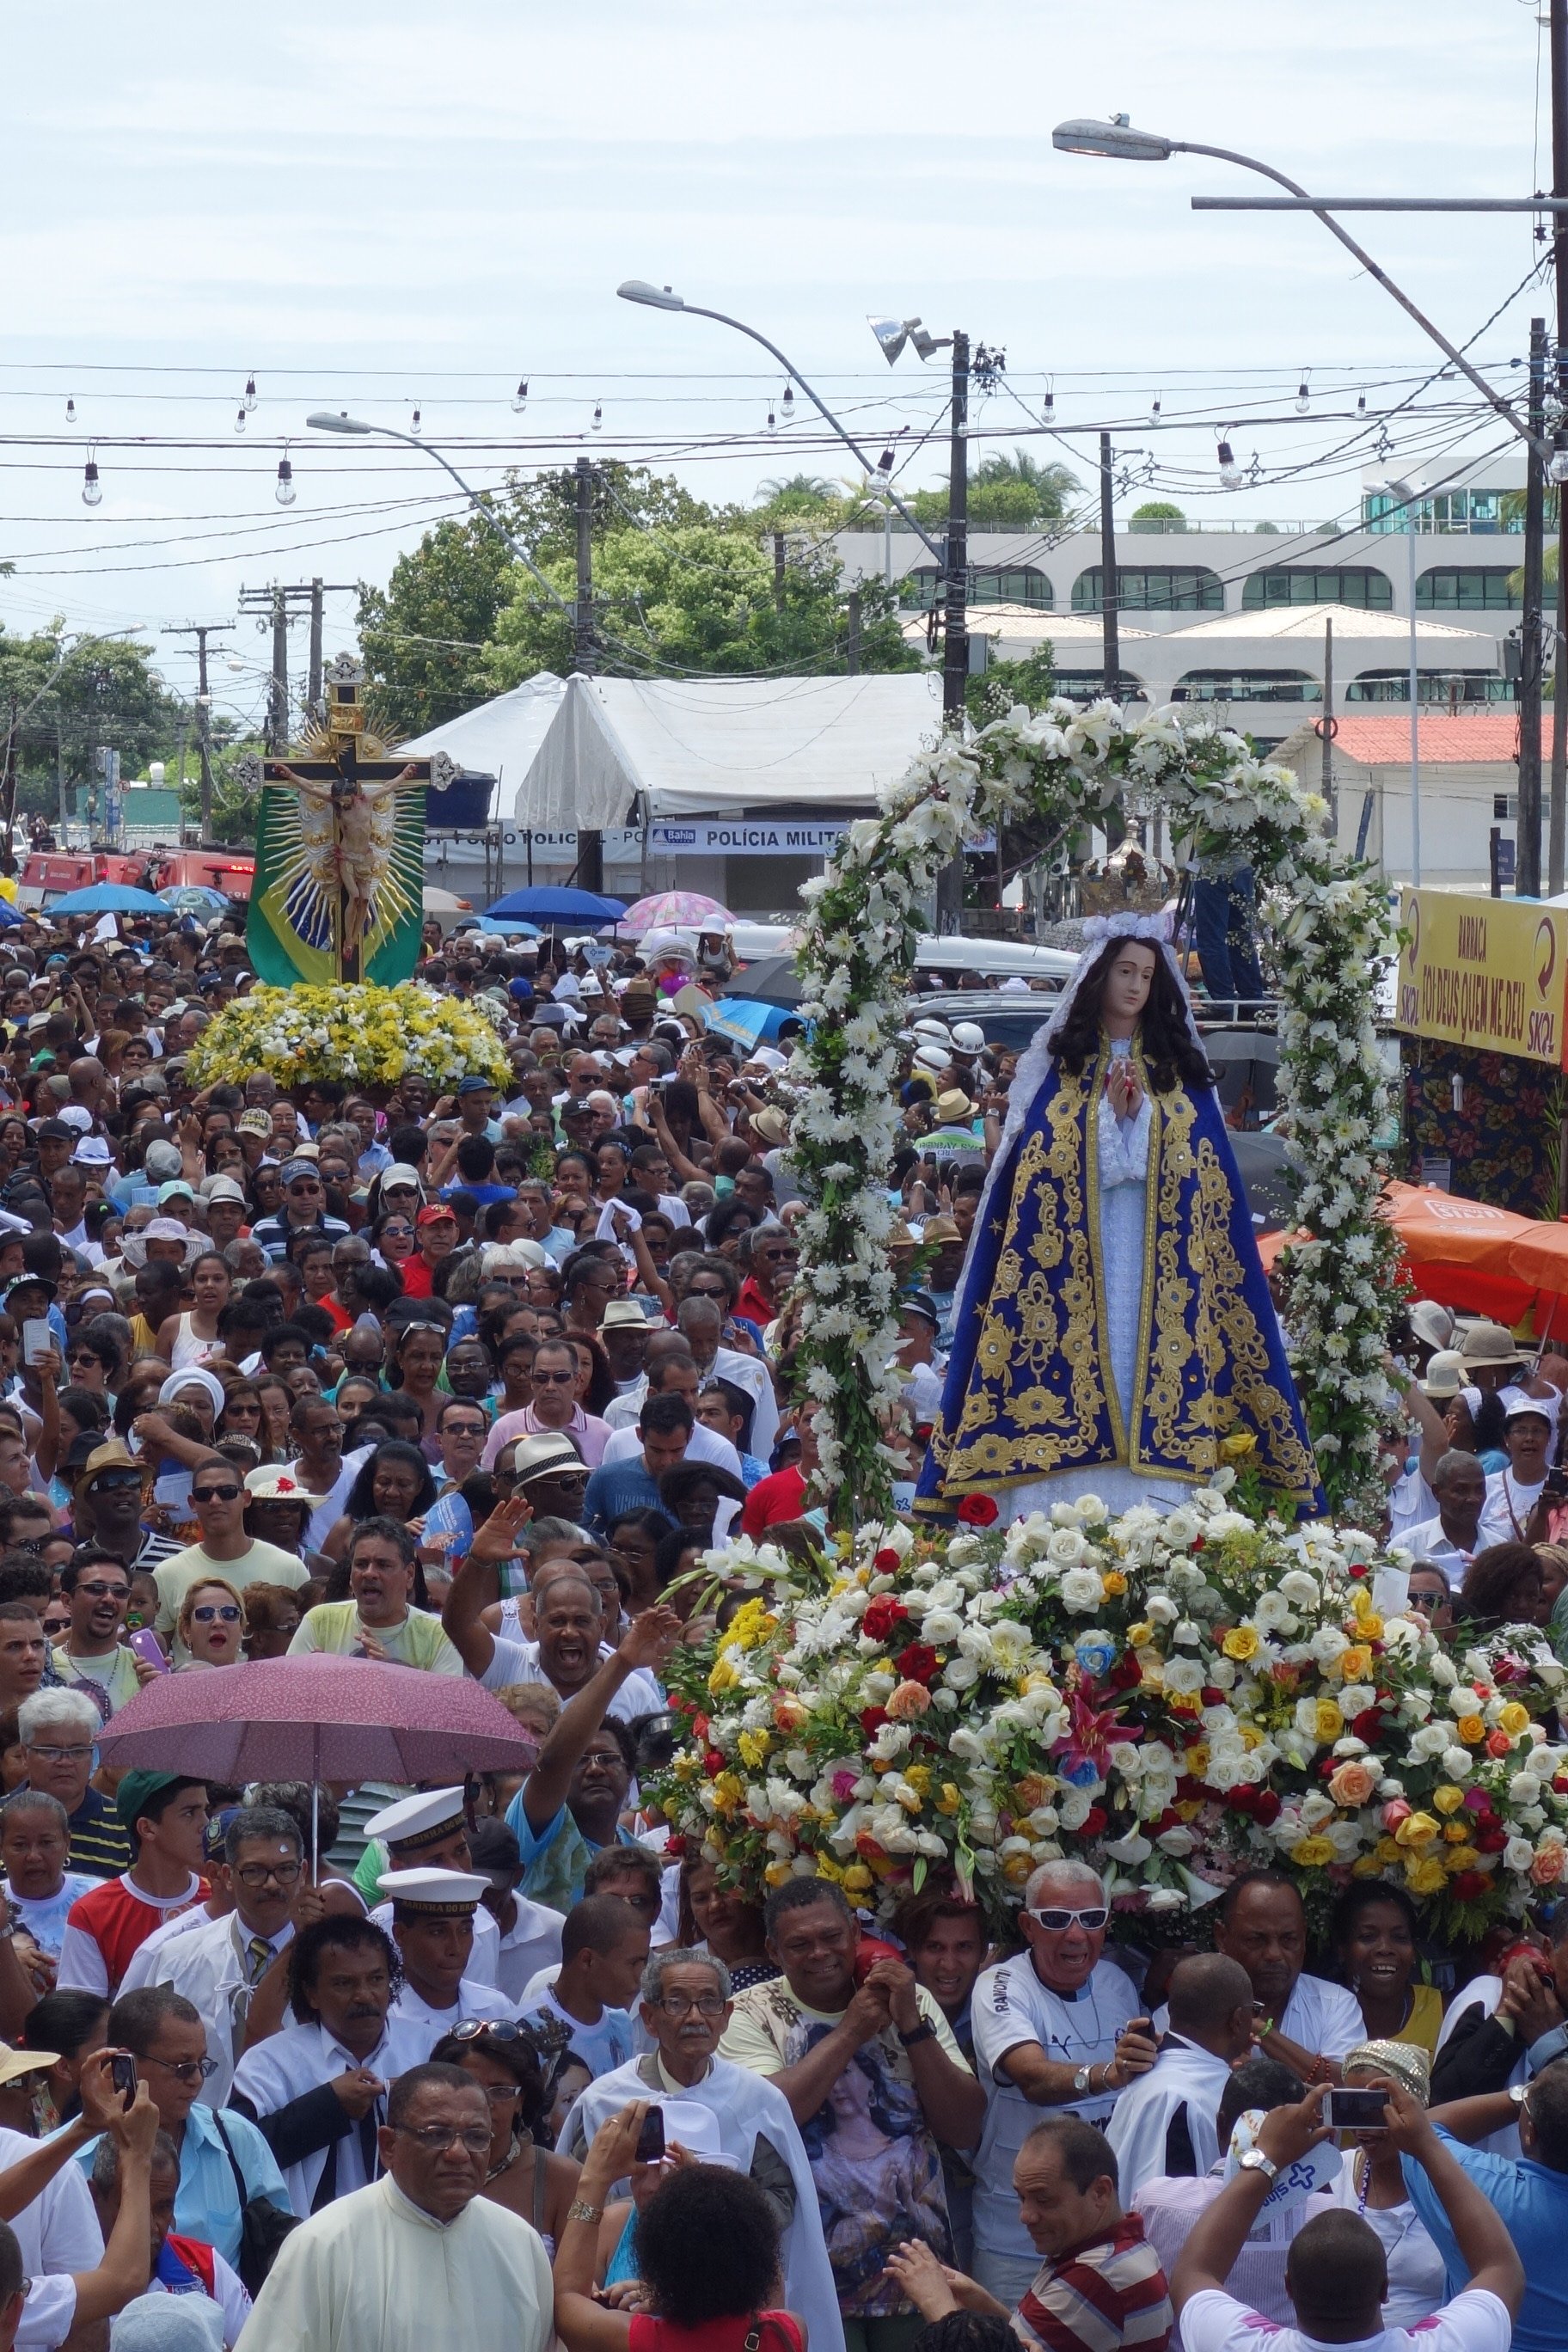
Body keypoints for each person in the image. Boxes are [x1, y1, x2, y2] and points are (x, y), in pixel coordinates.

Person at [915, 915, 1318, 1519]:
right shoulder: (1060, 1073)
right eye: (1125, 971)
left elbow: (1204, 1180)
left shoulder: (1180, 1078)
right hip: (1070, 1284)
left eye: (1148, 975)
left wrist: (1141, 1121)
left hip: (1165, 1285)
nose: (1135, 986)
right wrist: (1104, 1121)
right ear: (1100, 975)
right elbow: (1033, 1178)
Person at [720, 1877, 984, 2347]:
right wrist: (854, 2029)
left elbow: (963, 2126)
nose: (819, 1953)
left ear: (855, 1934)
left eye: (831, 1937)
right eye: (799, 1944)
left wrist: (909, 2023)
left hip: (917, 2274)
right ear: (773, 1951)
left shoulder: (914, 2000)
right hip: (805, 2275)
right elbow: (770, 2119)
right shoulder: (748, 2012)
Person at [558, 1946, 841, 2352]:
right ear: (650, 2018)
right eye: (677, 2003)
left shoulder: (757, 2099)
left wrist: (712, 2206)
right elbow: (577, 2194)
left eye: (708, 2003)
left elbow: (780, 2200)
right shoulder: (606, 2100)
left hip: (729, 2293)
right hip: (615, 2293)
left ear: (726, 2015)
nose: (695, 2017)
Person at [1169, 2078, 1522, 2352]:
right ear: (1385, 2289)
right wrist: (1427, 2145)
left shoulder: (1243, 2344)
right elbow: (1500, 2268)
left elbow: (1194, 2273)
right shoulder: (1444, 2344)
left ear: (1289, 2287)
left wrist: (1268, 2158)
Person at [232, 2061, 554, 2352]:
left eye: (475, 2136)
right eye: (436, 2134)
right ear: (389, 2146)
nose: (459, 2153)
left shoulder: (519, 2244)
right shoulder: (324, 2244)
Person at [969, 1862, 1152, 2306]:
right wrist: (1108, 2074)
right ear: (1028, 1926)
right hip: (1015, 2238)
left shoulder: (1116, 1983)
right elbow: (1030, 2076)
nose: (1075, 1936)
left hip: (1102, 2232)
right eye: (1055, 1920)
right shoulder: (1001, 1984)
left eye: (1091, 1920)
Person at [885, 2113, 1173, 2352]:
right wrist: (980, 2301)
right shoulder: (1117, 2248)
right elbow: (1028, 2344)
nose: (1026, 2216)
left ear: (1100, 2191)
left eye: (1044, 2200)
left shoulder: (1098, 2275)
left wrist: (938, 2305)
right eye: (1022, 2198)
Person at [554, 2101, 804, 2352]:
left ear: (652, 2262)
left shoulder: (643, 2340)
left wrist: (594, 2179)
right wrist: (708, 2194)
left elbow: (566, 2301)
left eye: (666, 2173)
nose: (650, 2186)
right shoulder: (789, 2332)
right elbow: (756, 2264)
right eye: (640, 2172)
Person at [76, 1984, 292, 2271]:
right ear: (124, 2064)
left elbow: (284, 2247)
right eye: (181, 2067)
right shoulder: (71, 2161)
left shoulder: (236, 2140)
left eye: (201, 2063)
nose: (196, 2081)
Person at [230, 1915, 432, 2217]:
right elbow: (238, 2156)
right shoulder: (269, 2063)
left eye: (376, 1979)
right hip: (306, 2236)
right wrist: (328, 2106)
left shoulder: (430, 2049)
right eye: (343, 1983)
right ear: (311, 1993)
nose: (364, 1995)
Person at [503, 1602, 683, 1914]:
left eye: (608, 1759)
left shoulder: (639, 1856)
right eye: (582, 1760)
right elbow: (555, 1760)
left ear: (630, 1775)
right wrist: (623, 1662)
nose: (596, 1769)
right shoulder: (538, 1825)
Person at [138, 1807, 309, 2106]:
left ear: (303, 1872)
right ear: (228, 1876)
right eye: (254, 1871)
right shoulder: (177, 1956)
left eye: (285, 1870)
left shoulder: (333, 1961)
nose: (271, 1884)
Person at [1106, 1957, 1257, 2204]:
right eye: (1254, 2010)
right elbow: (1168, 2214)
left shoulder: (1144, 2076)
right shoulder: (1181, 2096)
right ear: (1238, 2020)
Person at [89, 2124, 253, 2346]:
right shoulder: (71, 2279)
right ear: (95, 2197)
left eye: (163, 2207)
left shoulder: (206, 2268)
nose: (150, 2225)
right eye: (133, 2206)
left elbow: (258, 2343)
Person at [429, 2020, 581, 2252]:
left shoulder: (561, 2178)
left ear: (521, 2099)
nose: (484, 2102)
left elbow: (577, 2282)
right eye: (469, 2088)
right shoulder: (419, 2168)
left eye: (500, 2091)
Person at [1323, 2043, 1447, 2328]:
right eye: (1352, 2107)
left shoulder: (1448, 2180)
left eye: (1376, 2109)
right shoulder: (1332, 2174)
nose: (1362, 2129)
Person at [58, 1772, 211, 1999]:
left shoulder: (220, 1901)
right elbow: (81, 2018)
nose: (206, 1825)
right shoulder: (92, 1912)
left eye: (205, 1811)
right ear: (147, 1829)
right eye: (190, 1813)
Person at [1206, 1871, 1363, 2086]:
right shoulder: (1193, 2006)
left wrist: (1257, 2028)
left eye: (1289, 1939)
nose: (1274, 1954)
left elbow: (1350, 2087)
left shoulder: (1335, 2005)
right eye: (1256, 1939)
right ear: (1222, 1937)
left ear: (1304, 1938)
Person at [151, 1458, 310, 1654]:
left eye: (227, 1492)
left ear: (246, 1498)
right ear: (192, 1504)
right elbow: (159, 1655)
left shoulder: (290, 1568)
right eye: (204, 1494)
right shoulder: (167, 1573)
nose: (215, 1501)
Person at [288, 1519, 462, 1673]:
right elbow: (291, 1691)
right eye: (361, 1564)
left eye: (383, 1565)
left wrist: (393, 1673)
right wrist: (317, 1678)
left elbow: (445, 1706)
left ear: (409, 1575)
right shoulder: (320, 1621)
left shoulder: (438, 1635)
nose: (369, 1574)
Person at [10, 1685, 133, 1878]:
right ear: (25, 1754)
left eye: (78, 1751)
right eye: (50, 1750)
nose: (65, 1762)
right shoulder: (4, 1816)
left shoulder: (125, 1825)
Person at [520, 1893, 646, 2080]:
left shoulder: (621, 2025)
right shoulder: (523, 2031)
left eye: (643, 1963)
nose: (640, 1976)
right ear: (587, 1960)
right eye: (633, 1963)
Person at [385, 1868, 518, 2037]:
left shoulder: (497, 2009)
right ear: (401, 1934)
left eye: (465, 1930)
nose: (455, 1948)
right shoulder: (384, 2018)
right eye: (438, 1932)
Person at [1331, 1882, 1444, 2058]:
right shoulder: (1321, 2013)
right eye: (1368, 1937)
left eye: (1399, 1938)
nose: (1385, 1948)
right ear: (1342, 1950)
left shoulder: (1440, 2010)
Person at [50, 1547, 150, 1718]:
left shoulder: (144, 1669)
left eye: (120, 1592)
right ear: (67, 1602)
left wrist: (158, 1694)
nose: (109, 1599)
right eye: (96, 1588)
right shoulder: (45, 1668)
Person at [0, 1787, 95, 1963]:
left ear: (67, 1843)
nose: (34, 1856)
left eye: (46, 1843)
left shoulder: (101, 1900)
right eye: (20, 1845)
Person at [1393, 1450, 1487, 1584]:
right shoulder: (1404, 1547)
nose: (1473, 1499)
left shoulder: (1499, 1547)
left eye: (1479, 1489)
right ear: (1437, 1492)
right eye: (1461, 1490)